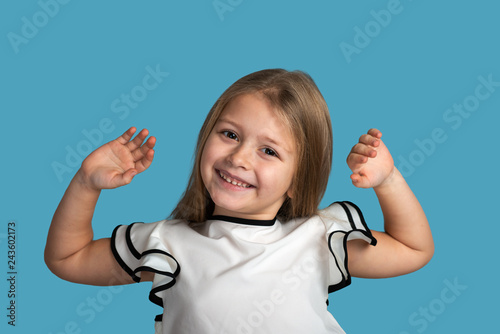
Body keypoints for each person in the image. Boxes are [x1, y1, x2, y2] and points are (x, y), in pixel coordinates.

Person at [45, 69, 434, 333]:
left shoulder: (318, 238)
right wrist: (85, 183)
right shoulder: (167, 243)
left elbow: (414, 249)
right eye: (230, 134)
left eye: (269, 151)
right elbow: (68, 259)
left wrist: (389, 180)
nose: (239, 158)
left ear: (299, 180)